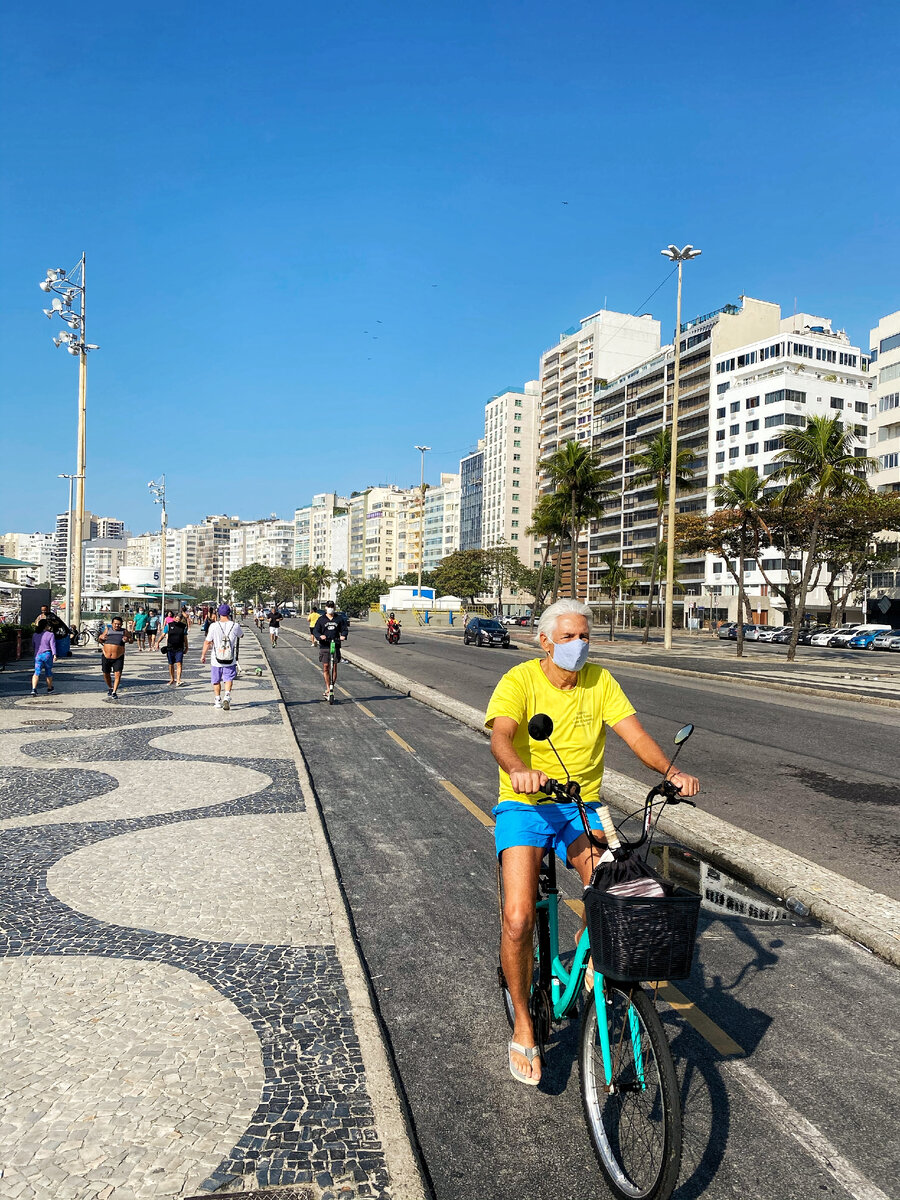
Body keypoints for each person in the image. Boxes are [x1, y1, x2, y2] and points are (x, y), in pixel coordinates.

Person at [485, 598, 699, 1086]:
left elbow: (635, 736)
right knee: (518, 919)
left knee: (619, 891)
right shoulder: (519, 680)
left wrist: (671, 772)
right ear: (544, 641)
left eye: (585, 636)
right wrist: (519, 770)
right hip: (526, 805)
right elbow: (501, 736)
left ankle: (587, 959)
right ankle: (523, 1023)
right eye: (568, 638)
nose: (579, 646)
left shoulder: (601, 681)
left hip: (581, 805)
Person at [200, 603, 243, 710]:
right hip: (230, 658)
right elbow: (241, 635)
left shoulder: (213, 626)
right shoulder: (235, 625)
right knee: (228, 678)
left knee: (216, 679)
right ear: (229, 613)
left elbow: (207, 642)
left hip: (216, 659)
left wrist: (203, 655)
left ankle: (217, 700)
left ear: (219, 613)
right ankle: (227, 696)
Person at [311, 601, 347, 699]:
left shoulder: (339, 618)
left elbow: (344, 629)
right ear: (326, 607)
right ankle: (327, 687)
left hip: (335, 645)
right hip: (325, 645)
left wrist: (343, 635)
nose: (330, 608)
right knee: (326, 666)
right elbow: (316, 630)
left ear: (334, 607)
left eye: (332, 606)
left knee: (334, 667)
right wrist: (320, 636)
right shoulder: (321, 619)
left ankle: (331, 688)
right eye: (329, 606)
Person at [98, 614, 131, 699]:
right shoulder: (107, 630)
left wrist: (127, 639)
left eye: (119, 624)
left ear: (122, 624)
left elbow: (131, 640)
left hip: (118, 656)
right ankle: (110, 687)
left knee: (118, 674)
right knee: (106, 673)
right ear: (112, 623)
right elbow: (100, 639)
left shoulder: (124, 631)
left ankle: (114, 692)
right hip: (106, 655)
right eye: (115, 623)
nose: (117, 625)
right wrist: (101, 637)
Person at [31, 618, 57, 696]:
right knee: (48, 672)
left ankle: (34, 689)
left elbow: (33, 645)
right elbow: (53, 645)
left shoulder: (35, 634)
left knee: (36, 672)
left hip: (38, 655)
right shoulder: (50, 634)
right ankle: (49, 688)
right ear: (46, 626)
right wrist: (54, 655)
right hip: (47, 655)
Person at [164, 610, 189, 686]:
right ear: (174, 617)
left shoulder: (183, 627)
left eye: (180, 619)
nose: (178, 620)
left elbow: (185, 638)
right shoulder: (168, 625)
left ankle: (178, 680)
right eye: (177, 618)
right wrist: (157, 642)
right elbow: (163, 634)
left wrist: (186, 647)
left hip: (179, 648)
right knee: (171, 664)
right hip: (170, 647)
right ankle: (172, 679)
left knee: (179, 663)